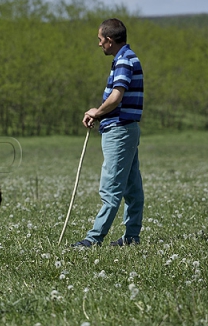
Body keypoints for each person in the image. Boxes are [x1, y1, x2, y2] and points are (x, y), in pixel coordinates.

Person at [73, 18, 144, 248]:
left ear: (110, 40)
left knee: (111, 187)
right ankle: (131, 238)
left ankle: (94, 239)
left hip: (120, 130)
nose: (99, 44)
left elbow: (116, 96)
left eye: (100, 40)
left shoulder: (123, 60)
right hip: (127, 128)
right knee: (132, 187)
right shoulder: (127, 57)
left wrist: (96, 113)